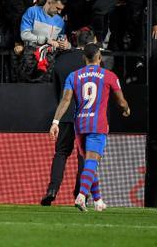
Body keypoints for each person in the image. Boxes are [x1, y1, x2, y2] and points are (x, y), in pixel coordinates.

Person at [49, 43, 130, 211]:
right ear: (99, 58)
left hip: (79, 124)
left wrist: (55, 122)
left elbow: (65, 101)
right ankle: (81, 195)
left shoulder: (74, 76)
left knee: (88, 162)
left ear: (83, 58)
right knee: (92, 162)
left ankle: (98, 200)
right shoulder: (109, 76)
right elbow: (121, 102)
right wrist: (126, 109)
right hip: (97, 124)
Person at [41, 29, 96, 206]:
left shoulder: (61, 60)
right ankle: (80, 193)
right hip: (86, 116)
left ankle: (52, 189)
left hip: (65, 114)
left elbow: (56, 89)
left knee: (61, 153)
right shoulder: (93, 64)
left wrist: (60, 112)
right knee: (83, 156)